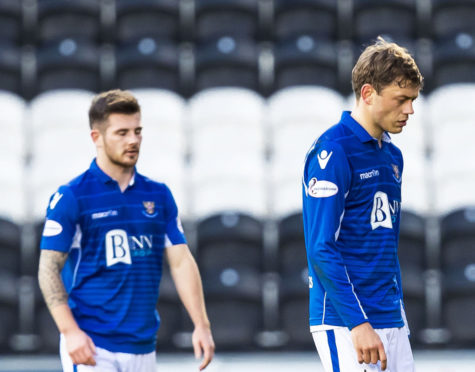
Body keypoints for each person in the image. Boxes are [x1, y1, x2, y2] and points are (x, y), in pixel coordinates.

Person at [38, 89, 215, 372]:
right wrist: (70, 332)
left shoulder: (158, 195)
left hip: (143, 346)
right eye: (122, 133)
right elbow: (48, 268)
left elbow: (181, 262)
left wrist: (201, 325)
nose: (133, 140)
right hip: (93, 345)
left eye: (137, 131)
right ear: (97, 137)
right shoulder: (72, 196)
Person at [302, 37, 423, 372]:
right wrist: (358, 324)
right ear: (368, 94)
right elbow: (320, 248)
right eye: (401, 100)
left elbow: (384, 243)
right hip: (346, 321)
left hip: (390, 316)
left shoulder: (393, 156)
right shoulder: (332, 152)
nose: (410, 110)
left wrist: (397, 314)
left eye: (413, 100)